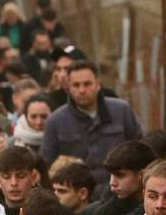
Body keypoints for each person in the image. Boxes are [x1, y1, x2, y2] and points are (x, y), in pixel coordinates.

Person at [39, 60, 144, 198]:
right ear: (68, 88)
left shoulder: (122, 111)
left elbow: (141, 150)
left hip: (119, 194)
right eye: (76, 85)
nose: (82, 90)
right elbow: (46, 166)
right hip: (78, 199)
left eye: (87, 84)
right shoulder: (55, 121)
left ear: (98, 84)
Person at [86, 140, 155, 215]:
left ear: (142, 174)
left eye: (120, 175)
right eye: (111, 175)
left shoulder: (162, 208)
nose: (112, 182)